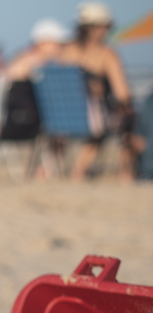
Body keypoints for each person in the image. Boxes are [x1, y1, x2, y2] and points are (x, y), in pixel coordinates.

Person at [60, 2, 138, 180]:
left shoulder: (64, 51)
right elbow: (122, 93)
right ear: (97, 28)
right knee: (129, 120)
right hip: (92, 118)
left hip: (59, 117)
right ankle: (124, 173)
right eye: (106, 26)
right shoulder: (105, 54)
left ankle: (44, 170)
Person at [0, 19, 70, 149]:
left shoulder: (23, 57)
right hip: (19, 120)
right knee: (62, 122)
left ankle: (47, 166)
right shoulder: (35, 61)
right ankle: (47, 167)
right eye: (59, 43)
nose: (63, 47)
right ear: (43, 42)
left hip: (13, 117)